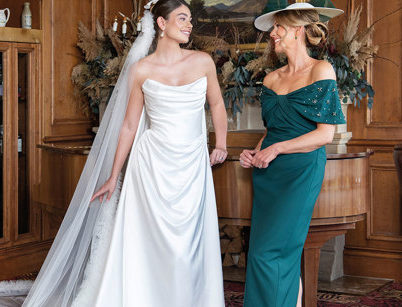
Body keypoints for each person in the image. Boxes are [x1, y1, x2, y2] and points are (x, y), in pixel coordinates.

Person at [24, 0, 227, 306]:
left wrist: (221, 144)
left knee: (188, 244)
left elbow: (217, 105)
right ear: (161, 23)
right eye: (182, 18)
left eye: (190, 20)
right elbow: (130, 125)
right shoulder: (141, 69)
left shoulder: (202, 62)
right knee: (148, 241)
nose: (189, 25)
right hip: (150, 166)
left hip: (191, 165)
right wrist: (113, 175)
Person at [239, 3, 345, 307]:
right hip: (268, 173)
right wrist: (256, 152)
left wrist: (276, 149)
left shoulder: (321, 70)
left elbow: (325, 134)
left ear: (298, 30)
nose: (272, 34)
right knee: (265, 253)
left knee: (270, 253)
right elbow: (274, 130)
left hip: (301, 170)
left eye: (278, 28)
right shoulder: (272, 79)